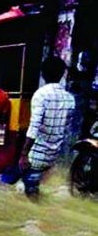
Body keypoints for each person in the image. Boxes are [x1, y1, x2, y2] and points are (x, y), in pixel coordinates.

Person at [17, 57, 76, 197]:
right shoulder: (69, 98)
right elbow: (66, 128)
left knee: (30, 194)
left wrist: (24, 154)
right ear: (62, 74)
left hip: (36, 155)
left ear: (43, 74)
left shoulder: (41, 94)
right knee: (39, 191)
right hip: (53, 155)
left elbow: (34, 126)